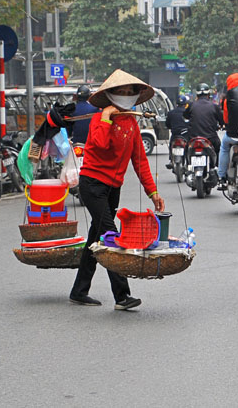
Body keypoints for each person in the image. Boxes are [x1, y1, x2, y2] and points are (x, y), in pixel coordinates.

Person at [69, 69, 165, 311]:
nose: (124, 95)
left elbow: (140, 161)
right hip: (92, 185)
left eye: (128, 92)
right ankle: (122, 296)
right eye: (119, 92)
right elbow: (100, 147)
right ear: (110, 96)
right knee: (112, 236)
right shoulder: (99, 120)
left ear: (135, 95)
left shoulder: (132, 123)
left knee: (96, 237)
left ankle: (79, 291)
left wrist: (153, 194)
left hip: (113, 188)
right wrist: (105, 119)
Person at [183, 83, 223, 174]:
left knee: (186, 148)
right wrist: (222, 125)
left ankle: (187, 165)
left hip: (193, 138)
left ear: (197, 95)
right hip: (210, 138)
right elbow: (222, 120)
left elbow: (185, 115)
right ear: (209, 95)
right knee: (219, 148)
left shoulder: (192, 105)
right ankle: (217, 167)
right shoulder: (214, 106)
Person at [164, 95, 190, 168]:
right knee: (189, 148)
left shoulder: (171, 113)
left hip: (175, 135)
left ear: (176, 103)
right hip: (185, 134)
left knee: (171, 145)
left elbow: (167, 124)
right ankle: (188, 163)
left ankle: (170, 160)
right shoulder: (187, 112)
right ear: (185, 104)